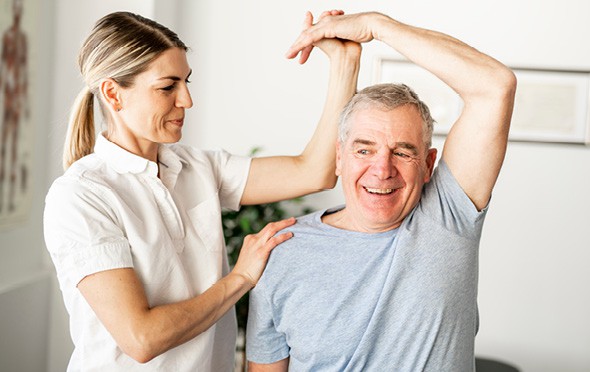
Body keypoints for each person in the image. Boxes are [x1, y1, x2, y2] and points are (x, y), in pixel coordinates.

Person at [43, 10, 361, 372]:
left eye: (186, 82)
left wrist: (345, 62)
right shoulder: (81, 196)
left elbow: (315, 172)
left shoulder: (198, 167)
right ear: (114, 94)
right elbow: (141, 339)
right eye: (168, 87)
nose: (187, 101)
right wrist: (240, 277)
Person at [246, 11, 517, 371]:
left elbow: (494, 86)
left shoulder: (448, 216)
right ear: (339, 157)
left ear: (427, 164)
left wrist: (376, 25)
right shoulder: (282, 251)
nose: (382, 169)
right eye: (364, 150)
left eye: (403, 152)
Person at [0, 0, 29, 213]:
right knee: (5, 143)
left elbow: (24, 71)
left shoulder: (23, 38)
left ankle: (9, 195)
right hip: (9, 95)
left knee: (13, 144)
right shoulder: (9, 36)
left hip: (17, 95)